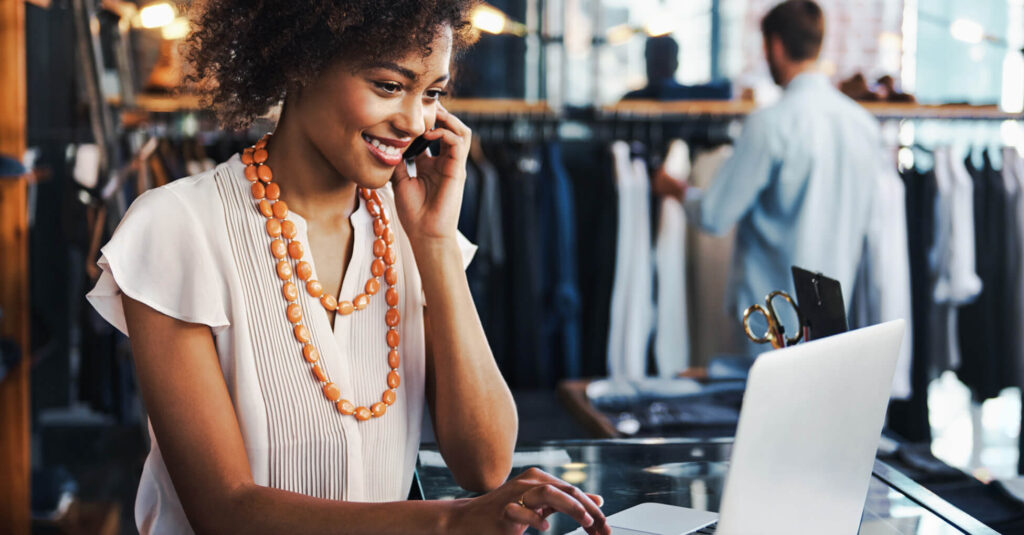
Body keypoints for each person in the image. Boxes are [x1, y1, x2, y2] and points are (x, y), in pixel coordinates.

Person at [85, 1, 609, 534]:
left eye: (431, 94)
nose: (414, 122)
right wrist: (450, 523)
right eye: (388, 85)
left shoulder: (412, 228)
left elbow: (485, 463)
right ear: (299, 64)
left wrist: (435, 246)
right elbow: (224, 511)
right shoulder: (178, 227)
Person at [655, 0, 881, 348]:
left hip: (772, 328)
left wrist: (673, 188)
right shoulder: (864, 127)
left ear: (775, 45)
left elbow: (714, 215)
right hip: (833, 324)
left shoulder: (770, 124)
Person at [622, 36, 731, 101]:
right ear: (676, 63)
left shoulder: (630, 99)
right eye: (656, 61)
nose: (658, 66)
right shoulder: (693, 94)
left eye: (661, 61)